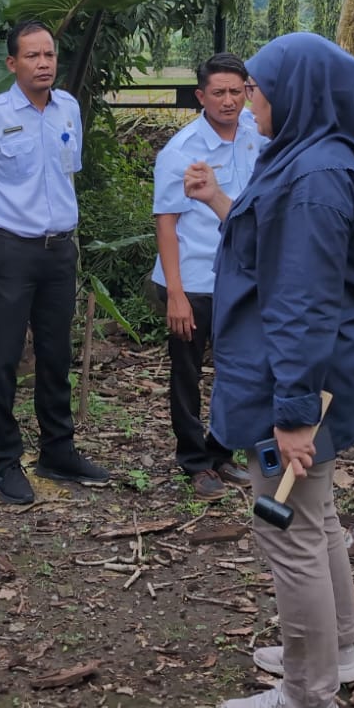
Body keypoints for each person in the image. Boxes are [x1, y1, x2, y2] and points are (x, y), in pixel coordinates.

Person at [183, 32, 354, 708]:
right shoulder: (309, 159)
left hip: (295, 385)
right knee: (319, 515)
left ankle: (308, 698)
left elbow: (302, 303)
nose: (249, 104)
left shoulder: (315, 180)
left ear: (298, 94)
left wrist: (294, 413)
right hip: (300, 376)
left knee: (290, 530)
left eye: (260, 91)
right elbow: (264, 250)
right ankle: (336, 649)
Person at [0, 20, 110, 505]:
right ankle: (3, 461)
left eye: (50, 55)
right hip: (10, 250)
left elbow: (66, 175)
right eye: (33, 56)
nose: (44, 64)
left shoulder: (68, 109)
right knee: (2, 359)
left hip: (59, 249)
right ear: (12, 64)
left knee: (55, 355)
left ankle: (57, 451)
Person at [148, 52, 263, 498]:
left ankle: (221, 451)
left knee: (237, 368)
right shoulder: (181, 151)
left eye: (238, 91)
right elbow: (166, 223)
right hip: (193, 278)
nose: (229, 101)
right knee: (187, 373)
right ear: (201, 96)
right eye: (219, 92)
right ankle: (194, 461)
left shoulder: (257, 135)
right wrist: (175, 293)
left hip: (241, 277)